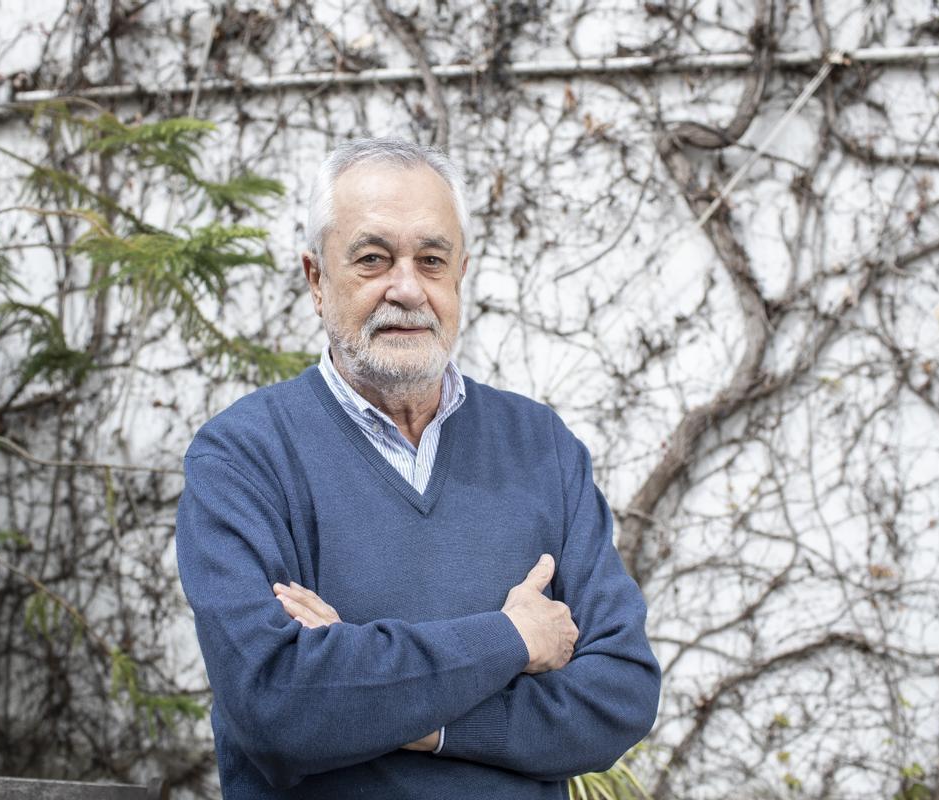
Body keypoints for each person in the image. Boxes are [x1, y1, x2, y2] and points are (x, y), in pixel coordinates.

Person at [175, 137, 661, 799]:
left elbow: (620, 697)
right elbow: (277, 701)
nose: (407, 288)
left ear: (459, 274)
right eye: (373, 259)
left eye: (431, 260)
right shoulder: (245, 457)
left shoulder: (540, 447)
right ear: (317, 278)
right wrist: (513, 639)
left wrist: (398, 710)